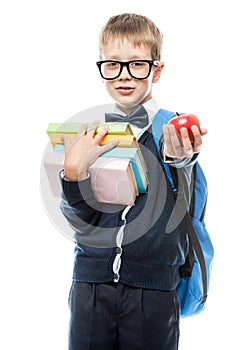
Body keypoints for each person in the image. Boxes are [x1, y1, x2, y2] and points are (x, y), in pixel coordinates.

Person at [59, 13, 207, 350]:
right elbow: (81, 222)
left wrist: (180, 157)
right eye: (113, 64)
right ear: (102, 68)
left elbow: (186, 194)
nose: (124, 75)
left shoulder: (171, 130)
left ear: (156, 70)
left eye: (137, 64)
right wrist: (72, 176)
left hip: (153, 291)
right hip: (89, 286)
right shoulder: (90, 134)